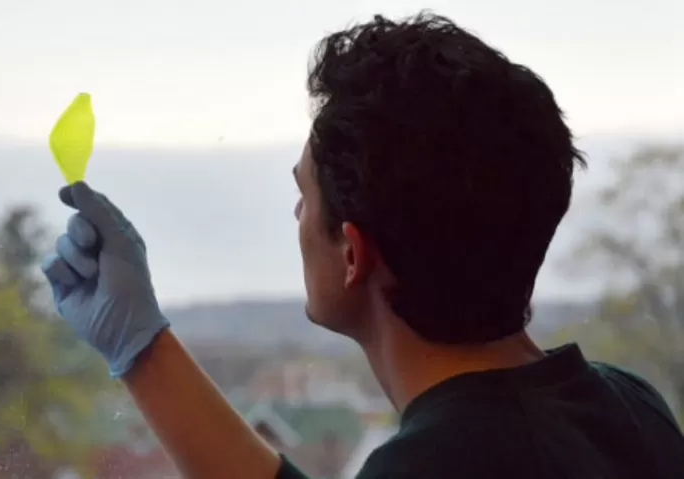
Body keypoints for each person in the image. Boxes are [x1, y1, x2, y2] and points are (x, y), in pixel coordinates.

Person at [40, 12, 684, 479]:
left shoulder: (436, 466)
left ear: (353, 254)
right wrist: (143, 347)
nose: (295, 214)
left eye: (304, 195)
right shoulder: (630, 410)